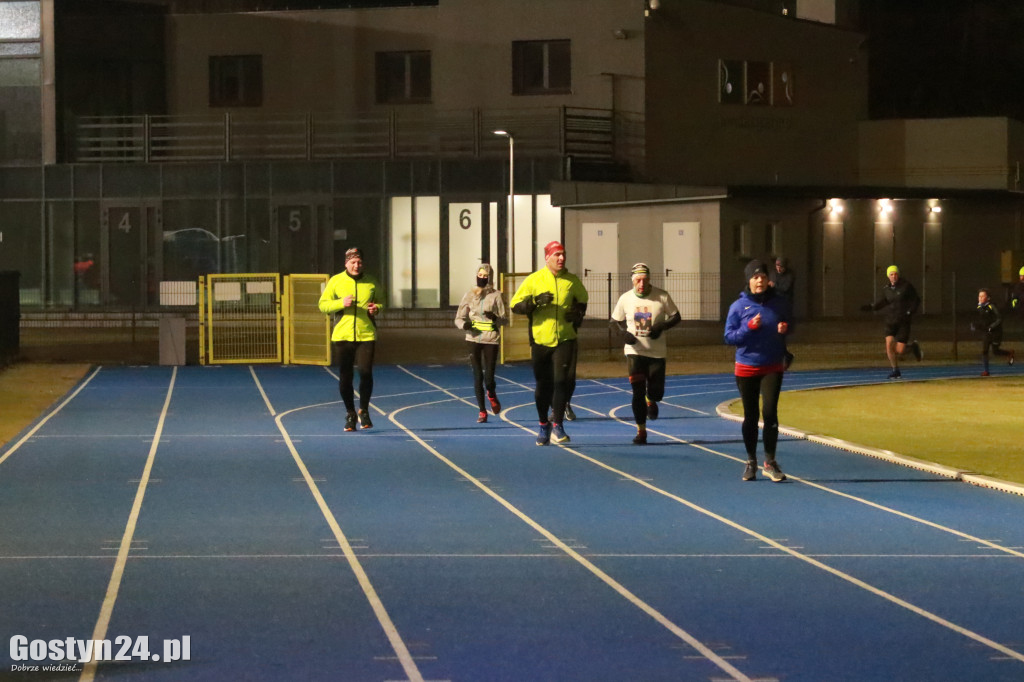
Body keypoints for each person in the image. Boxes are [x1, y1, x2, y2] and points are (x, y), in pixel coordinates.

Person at [509, 241, 588, 445]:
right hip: (541, 340)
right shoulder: (534, 280)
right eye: (557, 255)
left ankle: (558, 425)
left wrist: (578, 312)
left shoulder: (571, 281)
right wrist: (535, 302)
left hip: (565, 338)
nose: (561, 258)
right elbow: (515, 305)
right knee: (543, 385)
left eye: (563, 255)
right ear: (547, 258)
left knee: (561, 381)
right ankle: (543, 425)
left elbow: (583, 300)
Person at [724, 259, 792, 482]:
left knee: (770, 413)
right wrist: (749, 327)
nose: (759, 280)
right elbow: (729, 337)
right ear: (748, 281)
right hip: (746, 366)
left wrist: (785, 328)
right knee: (751, 416)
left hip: (772, 364)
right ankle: (751, 461)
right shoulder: (738, 307)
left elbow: (790, 322)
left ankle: (770, 462)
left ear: (768, 279)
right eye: (755, 277)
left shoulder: (779, 303)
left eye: (763, 276)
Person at [610, 263, 681, 445]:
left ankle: (652, 399)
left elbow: (676, 316)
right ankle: (641, 431)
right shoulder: (625, 299)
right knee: (637, 392)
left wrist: (661, 326)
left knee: (656, 392)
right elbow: (613, 322)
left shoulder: (661, 296)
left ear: (649, 279)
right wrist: (623, 334)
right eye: (638, 280)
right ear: (633, 281)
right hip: (634, 351)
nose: (642, 284)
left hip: (656, 352)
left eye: (645, 280)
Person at [318, 247, 382, 432]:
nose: (356, 265)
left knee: (365, 371)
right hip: (343, 334)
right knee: (346, 376)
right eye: (353, 262)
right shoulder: (336, 281)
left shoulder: (371, 282)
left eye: (359, 262)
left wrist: (377, 308)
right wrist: (340, 303)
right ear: (346, 263)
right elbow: (323, 305)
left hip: (366, 334)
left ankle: (364, 410)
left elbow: (382, 301)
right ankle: (350, 413)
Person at [455, 264, 509, 422]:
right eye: (480, 275)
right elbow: (459, 317)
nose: (482, 278)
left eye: (485, 276)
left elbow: (505, 320)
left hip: (491, 339)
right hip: (473, 338)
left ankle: (491, 394)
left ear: (490, 277)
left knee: (489, 378)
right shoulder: (469, 295)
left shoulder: (497, 296)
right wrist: (465, 325)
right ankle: (482, 411)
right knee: (477, 376)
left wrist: (495, 317)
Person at [860, 264, 922, 380]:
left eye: (895, 274)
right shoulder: (886, 289)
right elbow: (882, 302)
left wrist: (910, 312)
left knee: (900, 350)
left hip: (903, 321)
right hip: (891, 321)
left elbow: (916, 300)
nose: (894, 276)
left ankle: (912, 347)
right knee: (889, 345)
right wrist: (870, 307)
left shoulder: (906, 286)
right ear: (888, 276)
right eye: (891, 274)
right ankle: (895, 370)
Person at [971, 287, 1015, 376]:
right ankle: (986, 371)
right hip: (987, 333)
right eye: (979, 296)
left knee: (995, 351)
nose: (980, 298)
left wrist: (992, 327)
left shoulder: (992, 306)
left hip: (996, 333)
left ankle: (1009, 353)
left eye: (982, 296)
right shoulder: (979, 307)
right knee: (985, 351)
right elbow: (983, 321)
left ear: (988, 298)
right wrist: (976, 326)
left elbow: (999, 318)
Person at [768, 256, 796, 369]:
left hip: (784, 307)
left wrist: (774, 286)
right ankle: (784, 355)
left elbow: (785, 288)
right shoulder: (772, 274)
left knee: (781, 333)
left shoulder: (790, 275)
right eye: (777, 266)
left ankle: (784, 355)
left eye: (781, 267)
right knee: (774, 333)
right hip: (774, 306)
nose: (779, 269)